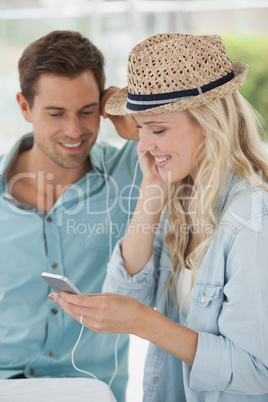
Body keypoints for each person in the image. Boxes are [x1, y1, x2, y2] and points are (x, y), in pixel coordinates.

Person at [50, 33, 268, 401]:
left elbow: (257, 371)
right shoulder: (182, 192)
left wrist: (144, 322)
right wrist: (151, 194)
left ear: (209, 123)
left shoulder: (251, 218)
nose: (145, 146)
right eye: (140, 129)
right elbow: (121, 294)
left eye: (159, 129)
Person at [0, 30, 141, 402]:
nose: (74, 131)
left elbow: (217, 157)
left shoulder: (134, 171)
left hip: (91, 391)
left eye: (87, 111)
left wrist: (134, 122)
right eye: (56, 113)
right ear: (25, 107)